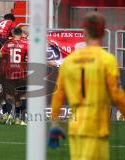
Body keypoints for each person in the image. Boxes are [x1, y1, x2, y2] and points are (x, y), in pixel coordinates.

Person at [50, 12, 125, 160]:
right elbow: (116, 93)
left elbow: (58, 94)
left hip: (75, 125)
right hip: (96, 126)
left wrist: (54, 124)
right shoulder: (107, 60)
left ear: (84, 32)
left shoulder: (70, 61)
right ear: (103, 32)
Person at [0, 27, 28, 125]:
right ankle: (21, 119)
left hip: (9, 73)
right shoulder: (26, 44)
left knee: (10, 96)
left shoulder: (7, 44)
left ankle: (9, 115)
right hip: (22, 73)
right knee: (22, 96)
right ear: (21, 34)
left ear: (13, 33)